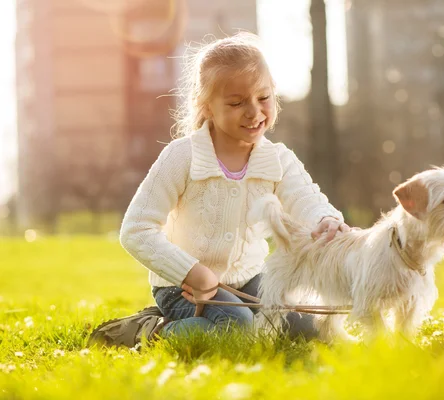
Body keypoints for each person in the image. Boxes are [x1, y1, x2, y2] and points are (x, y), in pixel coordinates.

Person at [88, 32, 349, 348]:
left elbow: (305, 198)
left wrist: (324, 220)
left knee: (309, 327)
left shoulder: (277, 158)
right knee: (238, 328)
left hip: (248, 281)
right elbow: (136, 230)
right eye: (237, 103)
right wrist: (190, 272)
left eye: (263, 98)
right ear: (207, 106)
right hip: (181, 285)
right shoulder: (182, 156)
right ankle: (150, 330)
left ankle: (204, 324)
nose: (254, 112)